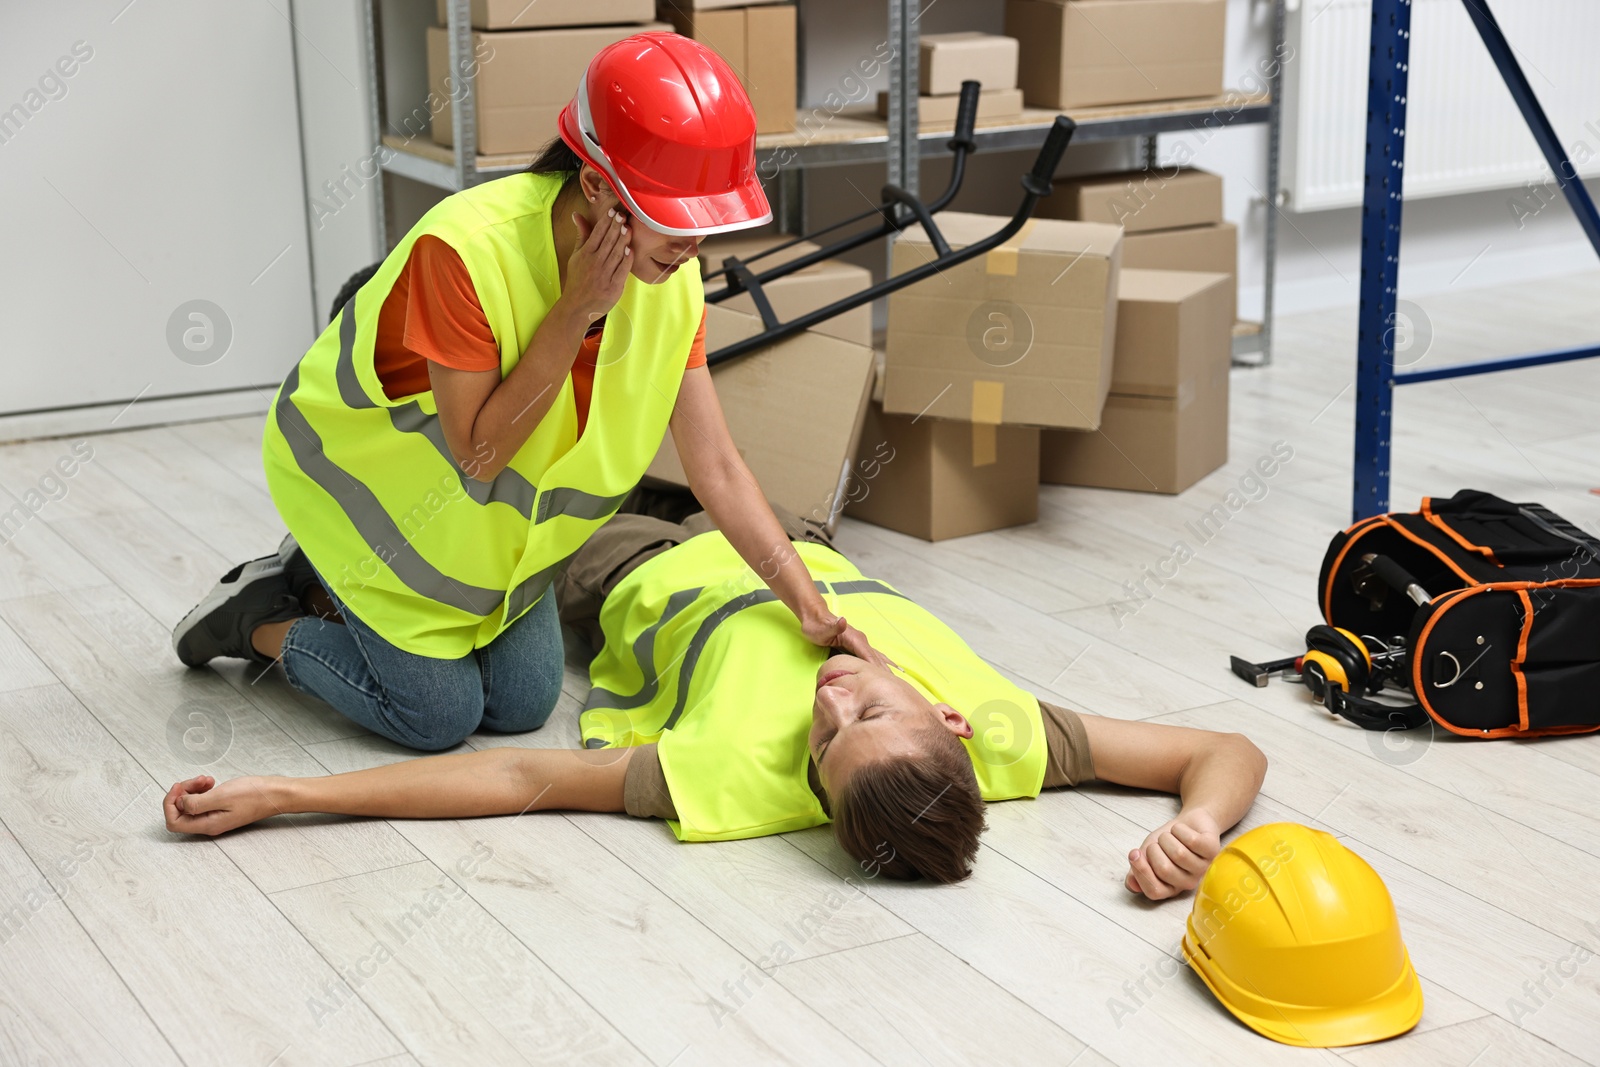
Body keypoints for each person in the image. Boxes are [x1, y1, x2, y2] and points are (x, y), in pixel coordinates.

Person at [169, 33, 889, 751]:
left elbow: (718, 467)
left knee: (521, 704)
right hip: (366, 500)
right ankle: (258, 617)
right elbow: (478, 455)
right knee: (437, 717)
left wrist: (807, 604)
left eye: (707, 221)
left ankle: (322, 586)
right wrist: (575, 311)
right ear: (600, 183)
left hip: (488, 544)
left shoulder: (669, 277)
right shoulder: (466, 251)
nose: (692, 246)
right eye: (675, 218)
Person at [164, 490, 1269, 893]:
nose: (833, 698)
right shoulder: (1013, 737)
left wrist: (287, 796)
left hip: (635, 558)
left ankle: (296, 589)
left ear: (812, 787)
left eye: (823, 739)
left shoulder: (736, 777)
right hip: (782, 538)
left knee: (465, 676)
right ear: (948, 723)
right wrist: (1202, 823)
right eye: (868, 710)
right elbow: (1215, 748)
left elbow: (514, 771)